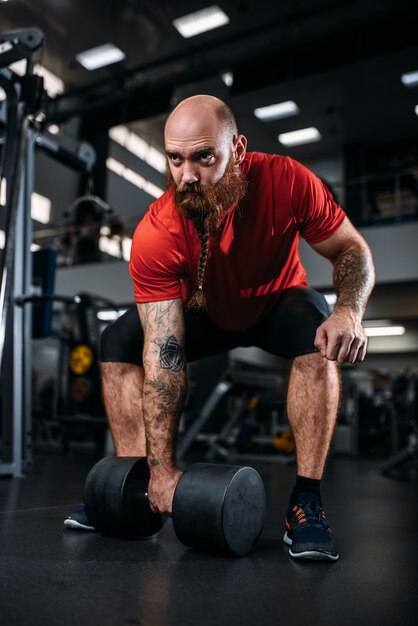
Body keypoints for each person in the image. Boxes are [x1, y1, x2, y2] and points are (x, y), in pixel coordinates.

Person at [65, 95, 375, 561]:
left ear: (239, 150)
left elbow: (351, 250)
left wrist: (349, 310)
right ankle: (135, 484)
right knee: (119, 340)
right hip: (205, 310)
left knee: (315, 328)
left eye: (204, 157)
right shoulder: (158, 230)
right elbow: (164, 355)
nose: (187, 175)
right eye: (175, 159)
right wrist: (163, 468)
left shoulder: (287, 180)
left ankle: (306, 501)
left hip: (276, 304)